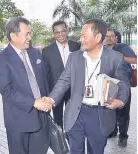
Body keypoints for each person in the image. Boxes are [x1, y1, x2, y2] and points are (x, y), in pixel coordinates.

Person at [44, 19, 130, 154]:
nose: (81, 39)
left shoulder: (115, 58)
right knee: (75, 151)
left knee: (95, 150)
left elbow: (124, 84)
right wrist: (51, 99)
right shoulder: (74, 57)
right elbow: (64, 81)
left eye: (84, 36)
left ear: (98, 37)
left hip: (100, 114)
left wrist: (120, 101)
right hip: (76, 113)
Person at [0, 17, 52, 154]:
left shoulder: (35, 52)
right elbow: (7, 91)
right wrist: (34, 102)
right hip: (19, 121)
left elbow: (44, 80)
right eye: (27, 34)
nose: (30, 37)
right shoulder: (0, 60)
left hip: (41, 117)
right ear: (13, 36)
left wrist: (47, 100)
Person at [42, 20, 81, 127]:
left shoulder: (76, 46)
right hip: (56, 90)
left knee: (74, 116)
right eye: (57, 32)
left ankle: (71, 137)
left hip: (74, 89)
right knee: (58, 119)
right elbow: (46, 74)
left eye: (63, 31)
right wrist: (48, 93)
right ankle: (61, 140)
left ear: (66, 30)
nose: (60, 34)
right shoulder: (47, 51)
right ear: (53, 34)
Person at [104, 28, 137, 147]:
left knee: (123, 110)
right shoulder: (101, 49)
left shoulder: (122, 47)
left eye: (112, 36)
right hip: (107, 84)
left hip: (123, 83)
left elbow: (135, 60)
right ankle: (113, 131)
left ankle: (123, 136)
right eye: (106, 36)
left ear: (116, 38)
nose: (109, 38)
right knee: (110, 108)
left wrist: (118, 57)